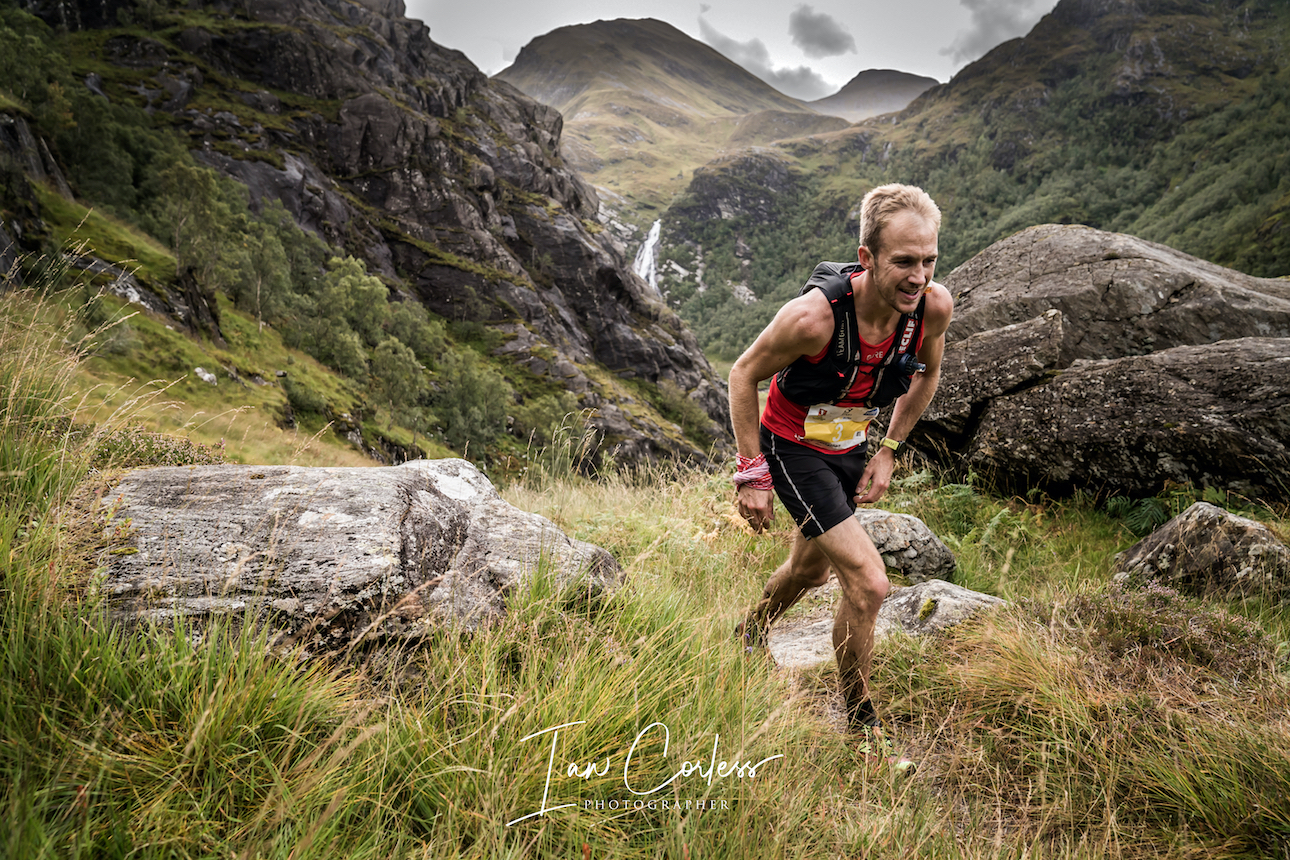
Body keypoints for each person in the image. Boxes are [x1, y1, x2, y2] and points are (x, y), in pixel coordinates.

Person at [728, 183, 953, 756]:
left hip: (849, 444)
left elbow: (927, 373)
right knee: (869, 582)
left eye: (929, 260)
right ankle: (860, 718)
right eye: (904, 261)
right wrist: (752, 473)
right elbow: (743, 374)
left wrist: (889, 448)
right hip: (793, 446)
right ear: (867, 258)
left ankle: (749, 631)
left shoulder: (931, 309)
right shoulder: (812, 319)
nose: (919, 277)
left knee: (809, 571)